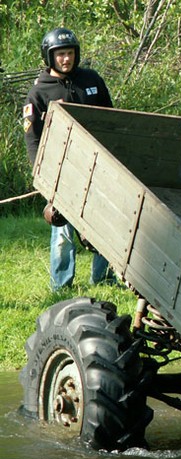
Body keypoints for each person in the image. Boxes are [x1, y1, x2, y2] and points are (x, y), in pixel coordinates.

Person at [23, 27, 115, 291]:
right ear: (50, 57)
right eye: (61, 54)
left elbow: (110, 120)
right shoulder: (38, 93)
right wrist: (43, 176)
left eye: (70, 53)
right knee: (62, 230)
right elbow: (33, 139)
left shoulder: (92, 80)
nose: (67, 59)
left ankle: (104, 278)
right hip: (61, 171)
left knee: (105, 224)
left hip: (98, 165)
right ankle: (61, 285)